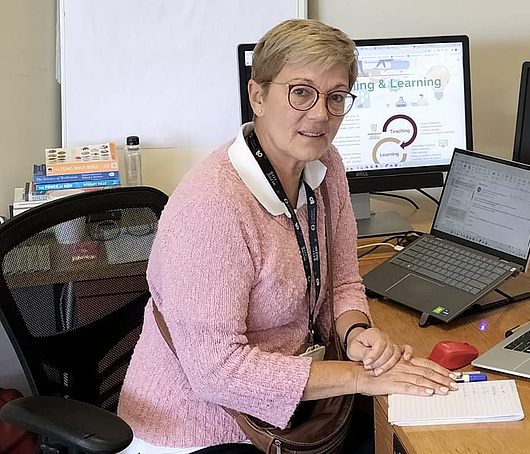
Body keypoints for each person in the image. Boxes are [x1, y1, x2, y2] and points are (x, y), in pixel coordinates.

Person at [117, 19, 457, 453]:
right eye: (301, 92)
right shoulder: (212, 206)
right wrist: (359, 377)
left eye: (336, 98)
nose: (320, 114)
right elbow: (215, 372)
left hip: (299, 411)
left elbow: (344, 282)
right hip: (204, 430)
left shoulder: (325, 164)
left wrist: (355, 334)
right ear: (257, 96)